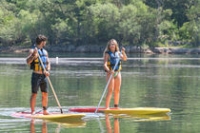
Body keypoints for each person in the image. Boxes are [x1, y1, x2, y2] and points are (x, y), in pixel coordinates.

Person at [26, 34, 50, 115]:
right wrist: (33, 55)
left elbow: (48, 62)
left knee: (45, 93)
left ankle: (45, 110)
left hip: (44, 76)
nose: (45, 43)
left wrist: (48, 70)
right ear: (42, 42)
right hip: (36, 75)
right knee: (34, 94)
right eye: (45, 41)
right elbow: (27, 61)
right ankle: (33, 111)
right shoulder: (32, 51)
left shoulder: (45, 52)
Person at [103, 39, 127, 109]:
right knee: (110, 90)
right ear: (109, 46)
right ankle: (107, 107)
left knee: (117, 90)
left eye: (113, 44)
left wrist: (123, 52)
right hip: (110, 73)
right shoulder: (107, 53)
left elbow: (125, 59)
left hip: (117, 72)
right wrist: (109, 71)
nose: (112, 46)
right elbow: (104, 65)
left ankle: (116, 106)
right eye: (111, 44)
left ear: (116, 45)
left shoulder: (119, 53)